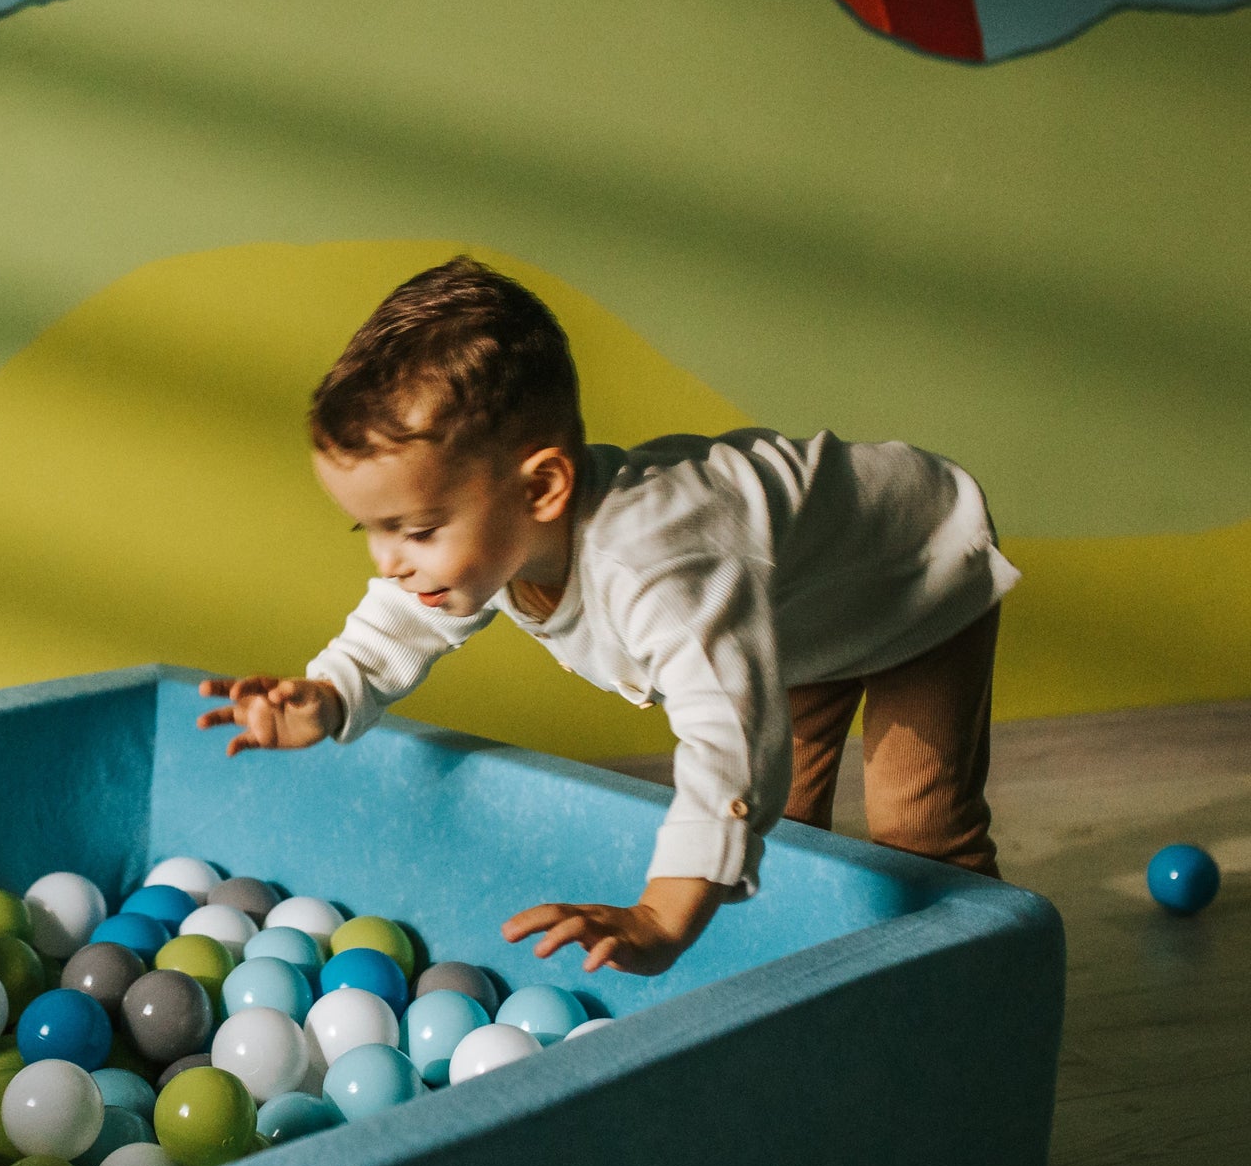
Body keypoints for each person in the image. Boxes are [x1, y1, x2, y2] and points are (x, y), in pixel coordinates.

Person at [197, 256, 1018, 976]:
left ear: (543, 488)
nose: (389, 560)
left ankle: (986, 1004)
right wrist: (332, 693)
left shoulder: (655, 565)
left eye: (415, 530)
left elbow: (727, 740)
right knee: (791, 832)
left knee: (916, 832)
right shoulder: (507, 540)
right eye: (372, 529)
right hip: (796, 613)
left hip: (911, 572)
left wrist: (661, 913)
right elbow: (400, 617)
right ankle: (809, 989)